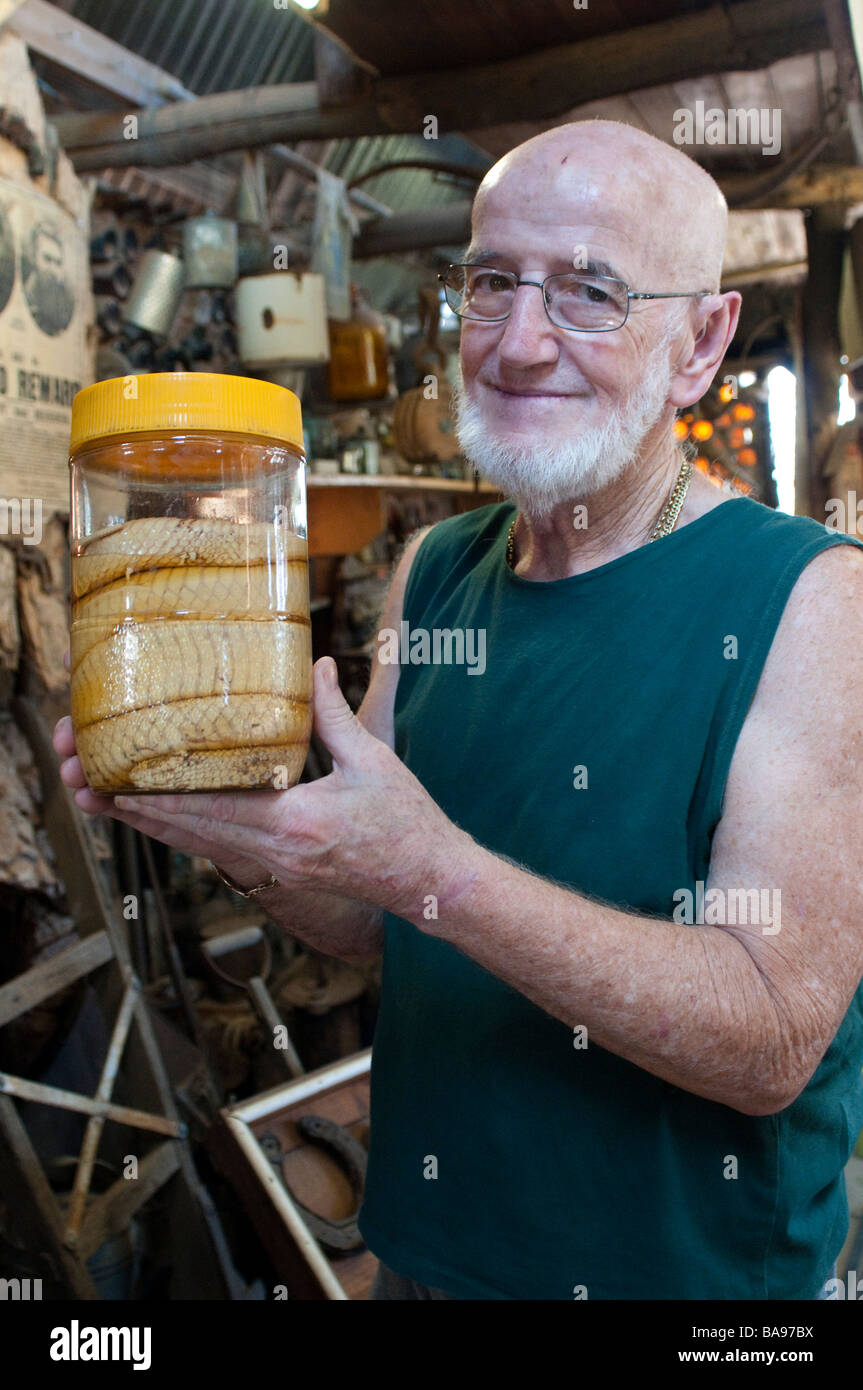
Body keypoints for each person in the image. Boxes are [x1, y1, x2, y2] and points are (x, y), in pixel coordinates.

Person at [55, 120, 863, 1301]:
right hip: (426, 1265)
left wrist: (441, 865)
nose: (519, 343)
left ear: (699, 342)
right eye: (491, 283)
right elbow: (370, 915)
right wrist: (238, 833)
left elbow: (771, 1039)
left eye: (590, 290)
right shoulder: (434, 568)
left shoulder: (813, 602)